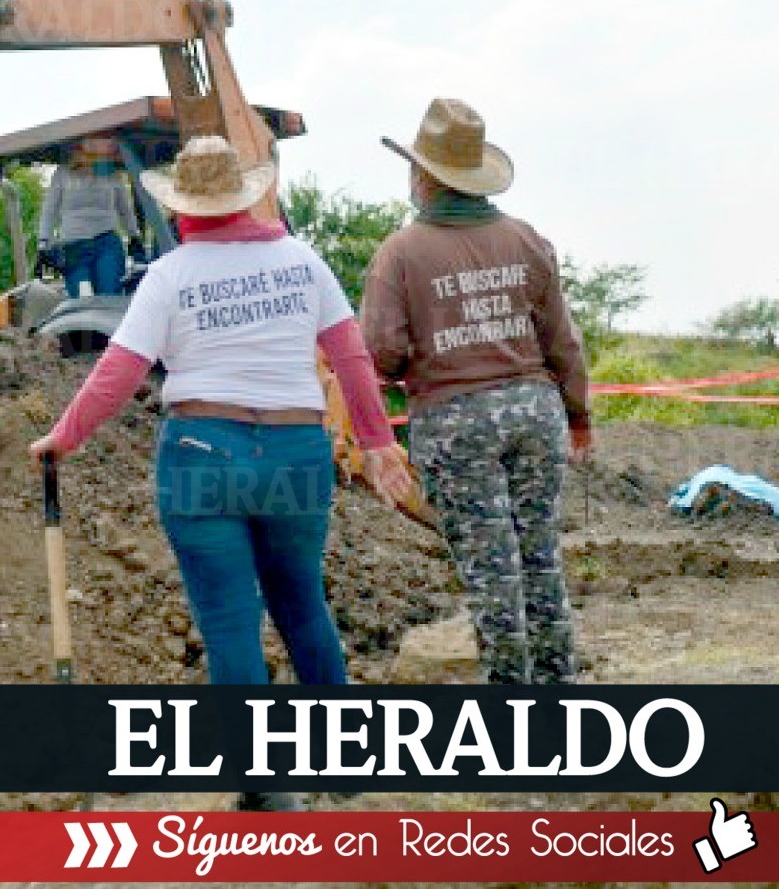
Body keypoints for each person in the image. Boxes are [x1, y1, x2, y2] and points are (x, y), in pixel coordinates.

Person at [30, 135, 411, 809]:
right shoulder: (302, 261)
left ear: (183, 208)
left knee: (232, 622)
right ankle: (350, 767)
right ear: (245, 196)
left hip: (202, 454)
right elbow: (351, 357)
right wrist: (378, 443)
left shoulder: (170, 275)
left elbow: (120, 369)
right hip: (296, 454)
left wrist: (65, 437)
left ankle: (266, 788)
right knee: (303, 606)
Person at [360, 98, 592, 686]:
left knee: (493, 572)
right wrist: (578, 416)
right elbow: (562, 340)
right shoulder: (527, 240)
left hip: (455, 420)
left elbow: (381, 349)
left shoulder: (401, 253)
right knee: (541, 558)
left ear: (425, 177)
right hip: (536, 412)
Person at [37, 136, 144, 298]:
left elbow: (125, 209)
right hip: (74, 245)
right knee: (82, 300)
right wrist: (44, 242)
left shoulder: (111, 173)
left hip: (106, 241)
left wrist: (134, 236)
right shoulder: (63, 173)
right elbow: (49, 210)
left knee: (110, 296)